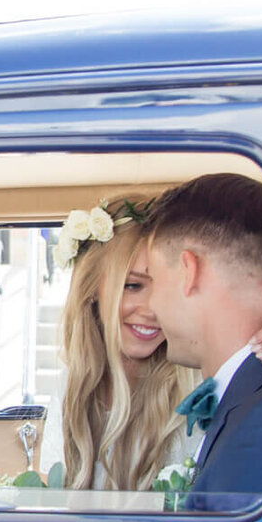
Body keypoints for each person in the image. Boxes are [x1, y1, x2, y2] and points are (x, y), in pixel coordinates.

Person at [38, 204, 196, 491]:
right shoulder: (71, 385)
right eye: (134, 286)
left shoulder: (195, 390)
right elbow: (53, 498)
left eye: (166, 288)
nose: (153, 309)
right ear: (92, 291)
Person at [139, 173, 262, 500]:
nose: (151, 306)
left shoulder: (259, 429)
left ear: (189, 272)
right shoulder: (257, 398)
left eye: (153, 281)